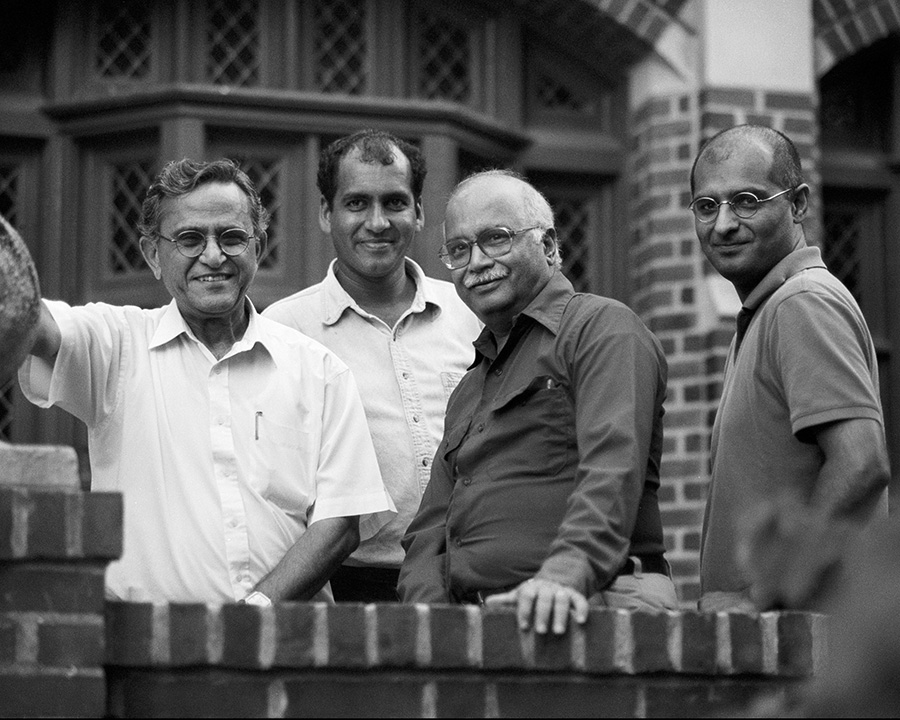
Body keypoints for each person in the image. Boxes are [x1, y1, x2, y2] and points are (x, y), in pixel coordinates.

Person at [14, 158, 394, 605]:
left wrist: (253, 615)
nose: (213, 256)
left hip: (288, 646)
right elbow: (26, 320)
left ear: (259, 245)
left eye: (232, 237)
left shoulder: (319, 370)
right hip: (145, 649)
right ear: (153, 255)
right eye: (190, 239)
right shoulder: (116, 345)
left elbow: (340, 523)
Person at [399, 169, 678, 634]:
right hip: (477, 627)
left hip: (592, 607)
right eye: (460, 250)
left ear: (548, 246)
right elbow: (429, 531)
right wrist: (432, 620)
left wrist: (563, 578)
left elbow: (612, 470)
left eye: (496, 239)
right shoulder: (470, 387)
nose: (477, 262)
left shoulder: (601, 329)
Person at [264, 130, 480, 602]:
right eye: (357, 203)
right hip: (348, 586)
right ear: (327, 213)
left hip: (472, 578)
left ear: (420, 212)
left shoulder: (473, 315)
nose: (377, 222)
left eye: (395, 203)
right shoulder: (282, 331)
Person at [691, 125, 890, 613]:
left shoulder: (801, 303)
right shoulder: (768, 309)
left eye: (747, 200)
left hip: (801, 640)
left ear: (798, 204)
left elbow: (862, 465)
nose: (723, 225)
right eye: (706, 206)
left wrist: (767, 595)